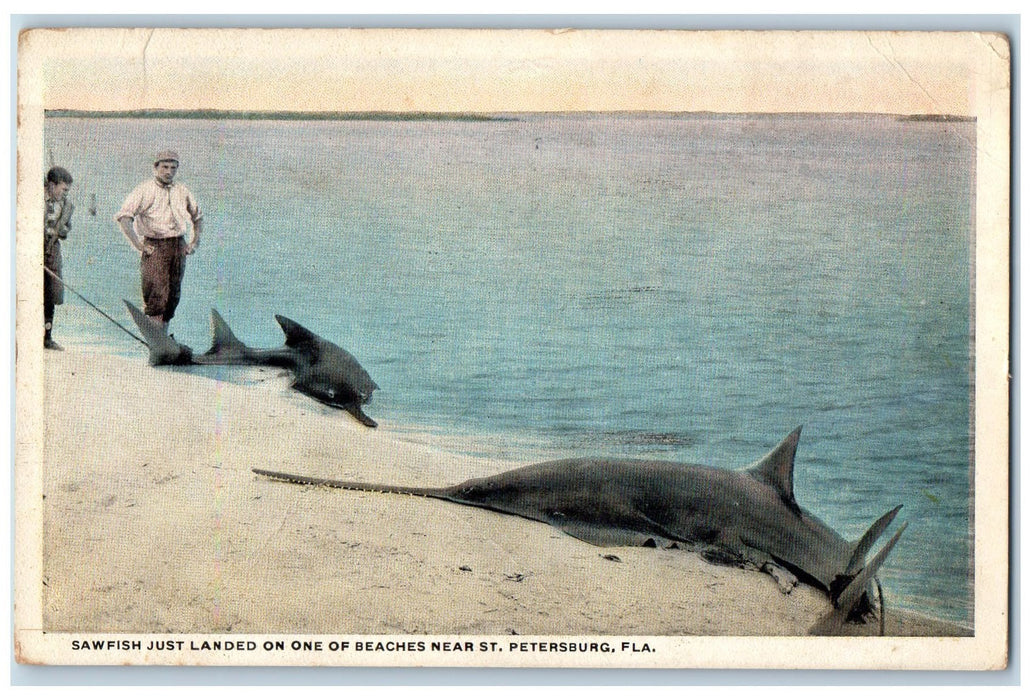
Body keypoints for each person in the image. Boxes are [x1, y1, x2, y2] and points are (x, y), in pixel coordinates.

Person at [115, 150, 203, 331]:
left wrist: (194, 242)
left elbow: (198, 217)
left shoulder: (182, 190)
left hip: (178, 245)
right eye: (164, 167)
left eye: (173, 168)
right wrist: (139, 245)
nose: (169, 171)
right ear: (155, 168)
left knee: (173, 296)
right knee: (156, 296)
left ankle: (163, 339)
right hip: (155, 246)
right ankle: (155, 343)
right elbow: (124, 218)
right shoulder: (144, 190)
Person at [44, 166, 74, 350]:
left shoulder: (66, 206)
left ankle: (47, 338)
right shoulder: (31, 197)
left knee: (52, 292)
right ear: (52, 185)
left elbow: (67, 227)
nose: (65, 194)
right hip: (31, 247)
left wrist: (62, 231)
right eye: (63, 190)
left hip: (52, 249)